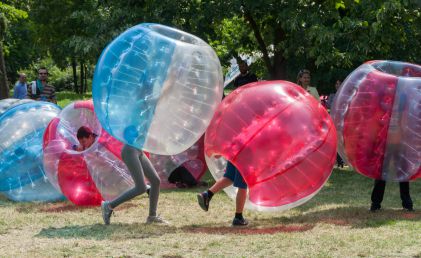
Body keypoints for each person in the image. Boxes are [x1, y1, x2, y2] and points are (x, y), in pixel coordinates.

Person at [197, 59, 257, 226]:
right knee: (243, 183)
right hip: (244, 148)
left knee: (229, 177)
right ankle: (238, 217)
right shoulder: (248, 108)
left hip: (235, 147)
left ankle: (207, 195)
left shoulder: (233, 107)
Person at [101, 143, 166, 225]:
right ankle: (109, 206)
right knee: (141, 188)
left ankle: (152, 217)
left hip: (138, 149)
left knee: (155, 181)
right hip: (130, 150)